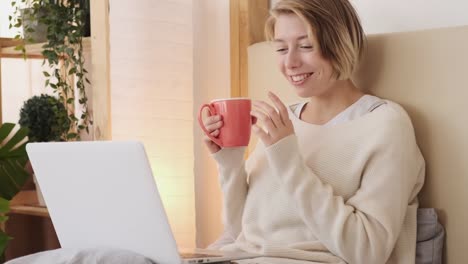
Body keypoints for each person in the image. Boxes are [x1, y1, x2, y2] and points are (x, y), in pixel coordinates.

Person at [200, 0, 425, 263]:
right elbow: (242, 232)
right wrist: (230, 161)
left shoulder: (385, 125)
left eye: (306, 46)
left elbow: (367, 251)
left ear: (340, 45)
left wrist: (288, 158)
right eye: (281, 48)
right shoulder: (284, 121)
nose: (290, 62)